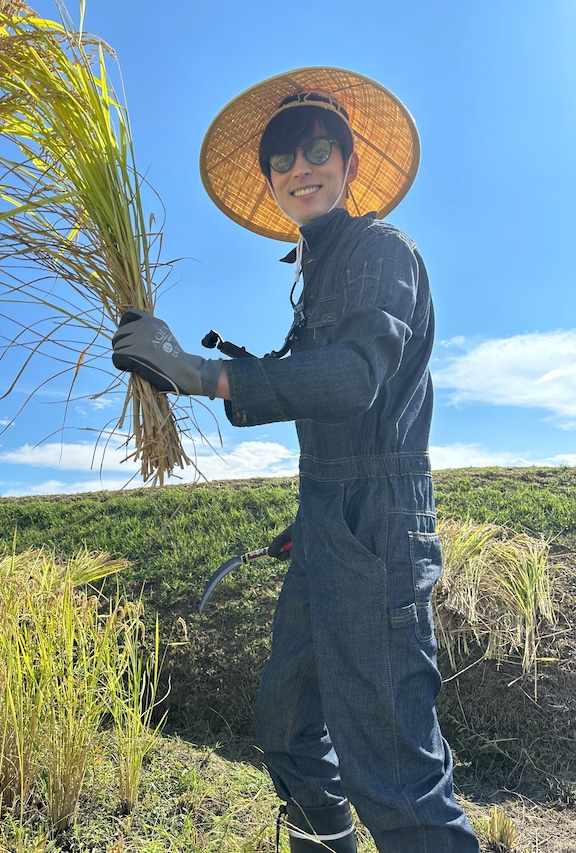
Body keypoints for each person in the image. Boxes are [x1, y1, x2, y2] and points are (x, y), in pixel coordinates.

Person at [112, 67, 480, 853]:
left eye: (318, 148)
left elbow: (352, 378)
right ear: (271, 182)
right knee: (286, 728)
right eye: (282, 158)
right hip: (327, 527)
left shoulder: (382, 251)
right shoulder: (316, 272)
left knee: (395, 778)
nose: (300, 167)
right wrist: (308, 519)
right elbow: (331, 419)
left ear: (348, 166)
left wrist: (206, 374)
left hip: (378, 534)